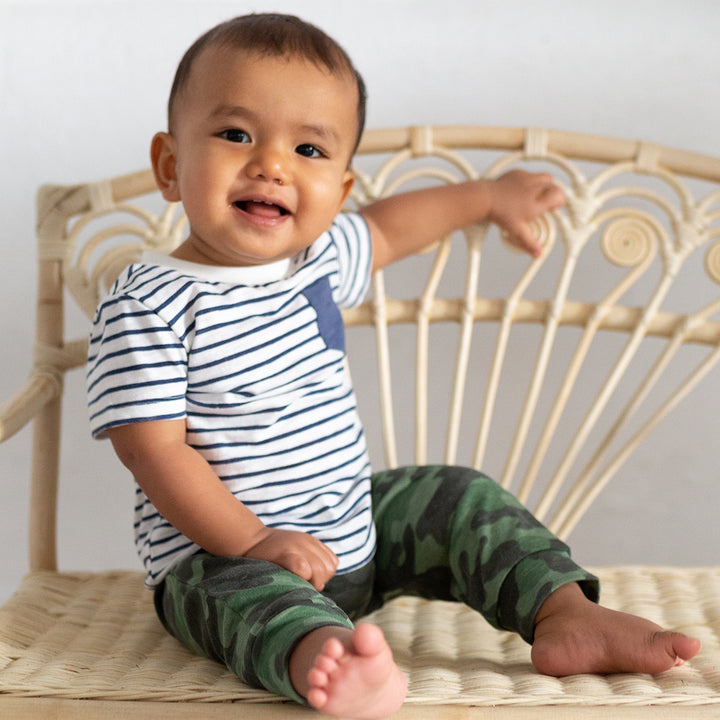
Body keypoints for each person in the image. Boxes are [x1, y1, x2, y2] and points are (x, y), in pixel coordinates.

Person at [86, 13, 701, 720]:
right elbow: (152, 447)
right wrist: (254, 540)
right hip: (220, 558)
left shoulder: (316, 260)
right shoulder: (151, 302)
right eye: (235, 134)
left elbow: (387, 228)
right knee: (248, 601)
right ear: (170, 165)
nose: (272, 164)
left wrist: (489, 197)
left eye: (309, 147)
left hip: (354, 533)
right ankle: (324, 658)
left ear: (340, 192)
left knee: (458, 496)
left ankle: (563, 612)